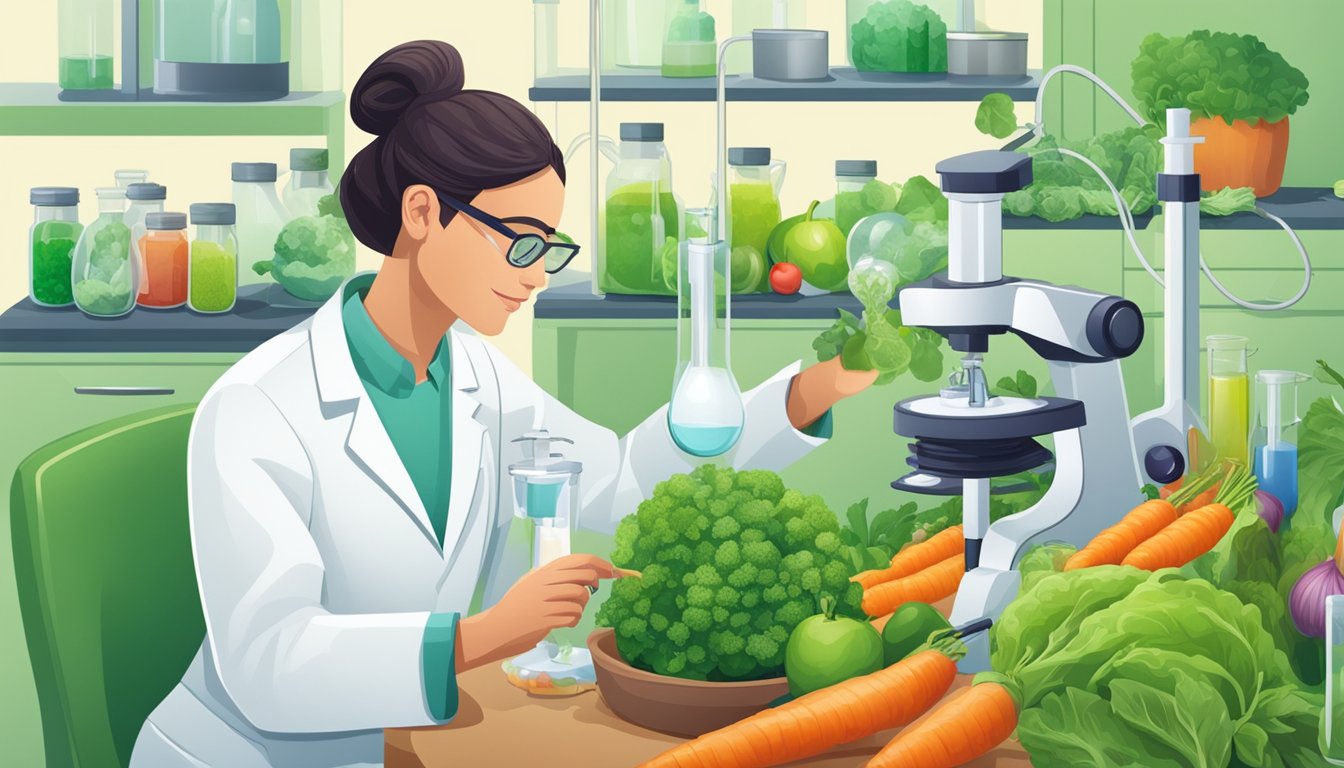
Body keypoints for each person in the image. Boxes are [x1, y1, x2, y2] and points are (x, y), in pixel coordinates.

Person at [130, 40, 876, 768]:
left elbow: (620, 484)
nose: (537, 277)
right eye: (520, 243)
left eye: (549, 248)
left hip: (416, 746)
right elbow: (270, 664)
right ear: (422, 213)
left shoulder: (475, 374)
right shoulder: (258, 406)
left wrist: (813, 392)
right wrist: (482, 636)